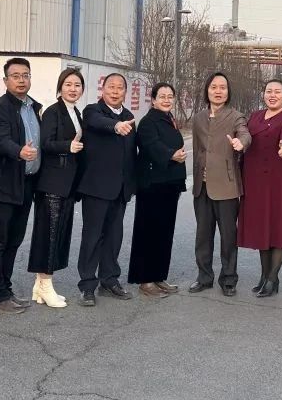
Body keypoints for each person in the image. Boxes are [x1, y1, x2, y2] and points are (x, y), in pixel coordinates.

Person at [0, 57, 42, 314]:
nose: (21, 80)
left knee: (14, 240)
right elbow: (0, 139)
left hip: (27, 183)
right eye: (16, 76)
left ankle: (5, 289)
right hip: (4, 184)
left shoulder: (33, 107)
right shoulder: (0, 108)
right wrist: (19, 151)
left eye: (25, 75)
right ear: (6, 80)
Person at [76, 73, 137, 306]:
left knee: (114, 237)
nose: (115, 91)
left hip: (120, 190)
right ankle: (87, 285)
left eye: (120, 87)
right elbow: (97, 122)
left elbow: (131, 153)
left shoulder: (129, 116)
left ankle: (109, 280)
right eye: (111, 86)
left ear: (125, 92)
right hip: (96, 188)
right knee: (92, 237)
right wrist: (116, 126)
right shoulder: (93, 111)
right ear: (102, 89)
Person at [190, 72, 251, 297]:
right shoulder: (198, 118)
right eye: (214, 87)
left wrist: (240, 143)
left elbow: (245, 134)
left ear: (228, 92)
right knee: (202, 236)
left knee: (228, 237)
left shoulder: (236, 117)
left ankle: (228, 279)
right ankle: (204, 277)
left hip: (226, 186)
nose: (218, 91)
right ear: (207, 90)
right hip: (202, 186)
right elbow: (197, 150)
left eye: (222, 87)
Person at [29, 67, 86, 308]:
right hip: (52, 182)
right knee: (49, 236)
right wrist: (67, 146)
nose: (73, 89)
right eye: (68, 84)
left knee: (58, 234)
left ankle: (39, 285)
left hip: (67, 183)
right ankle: (46, 284)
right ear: (60, 87)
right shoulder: (53, 112)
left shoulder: (76, 112)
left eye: (77, 85)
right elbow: (45, 143)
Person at [238, 79, 282, 298]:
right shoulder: (255, 116)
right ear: (263, 94)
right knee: (262, 228)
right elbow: (244, 136)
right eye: (268, 91)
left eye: (277, 92)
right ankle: (265, 276)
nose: (272, 95)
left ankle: (273, 278)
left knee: (278, 227)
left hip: (277, 181)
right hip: (254, 181)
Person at [128, 82, 187, 298]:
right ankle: (145, 279)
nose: (166, 100)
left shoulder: (169, 118)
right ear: (153, 100)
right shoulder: (148, 122)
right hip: (152, 185)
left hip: (169, 184)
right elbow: (151, 145)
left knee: (164, 233)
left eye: (170, 96)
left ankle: (159, 275)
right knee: (148, 233)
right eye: (162, 96)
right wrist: (171, 154)